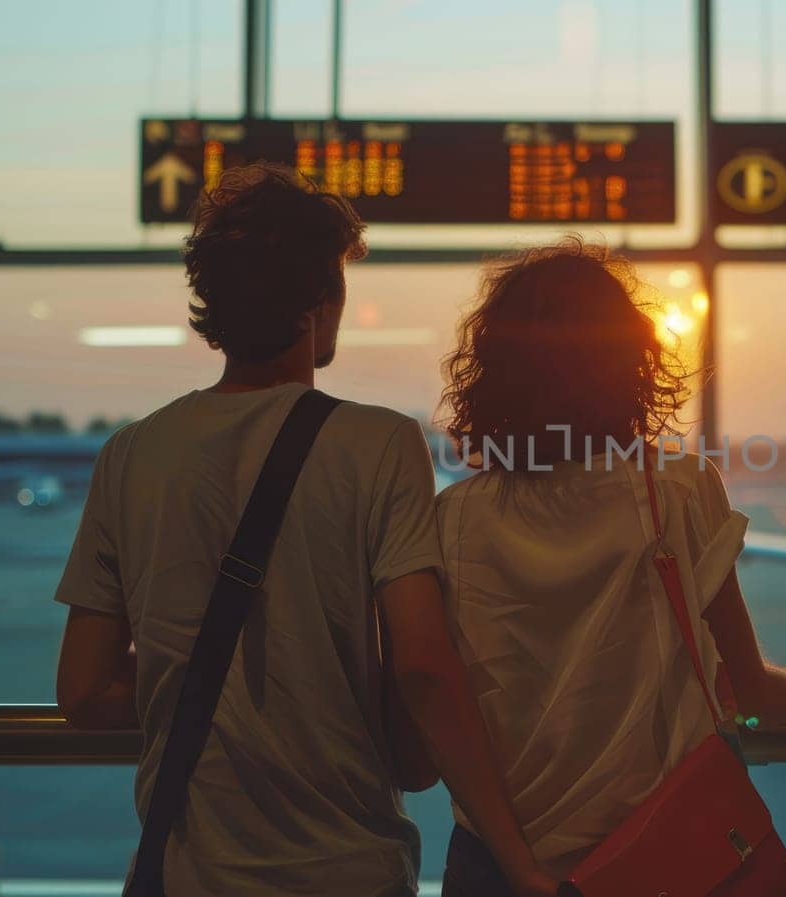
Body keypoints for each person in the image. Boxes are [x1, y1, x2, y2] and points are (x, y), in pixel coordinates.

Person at [53, 163, 554, 897]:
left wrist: (208, 690)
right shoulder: (379, 445)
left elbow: (84, 690)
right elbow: (419, 666)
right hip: (348, 868)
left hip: (186, 871)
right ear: (317, 303)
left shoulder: (130, 454)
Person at [433, 238, 786, 894]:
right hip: (663, 857)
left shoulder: (454, 518)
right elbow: (752, 695)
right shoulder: (675, 490)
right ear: (629, 360)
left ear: (493, 370)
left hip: (504, 868)